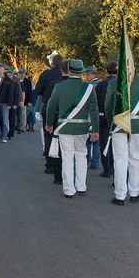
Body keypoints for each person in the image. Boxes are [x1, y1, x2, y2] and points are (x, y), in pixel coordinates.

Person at [45, 59, 100, 198]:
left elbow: (51, 107)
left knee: (67, 157)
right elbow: (94, 110)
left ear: (68, 71)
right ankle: (81, 186)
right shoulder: (89, 88)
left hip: (64, 127)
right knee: (81, 155)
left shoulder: (59, 87)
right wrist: (95, 130)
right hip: (82, 128)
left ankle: (69, 189)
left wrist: (49, 123)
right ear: (81, 72)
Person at [105, 69, 139, 205]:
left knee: (120, 159)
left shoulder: (113, 83)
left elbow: (108, 106)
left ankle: (120, 195)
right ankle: (134, 193)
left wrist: (111, 122)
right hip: (137, 124)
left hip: (119, 125)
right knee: (135, 158)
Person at [96, 60, 117, 178]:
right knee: (116, 145)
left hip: (102, 116)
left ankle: (106, 169)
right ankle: (115, 170)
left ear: (106, 71)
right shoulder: (120, 84)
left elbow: (96, 101)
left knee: (104, 143)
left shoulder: (100, 85)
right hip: (116, 117)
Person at [85, 65, 101, 170]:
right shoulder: (100, 84)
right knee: (96, 142)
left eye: (88, 74)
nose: (87, 76)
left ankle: (87, 160)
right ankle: (95, 163)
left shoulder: (89, 86)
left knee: (88, 141)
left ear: (93, 75)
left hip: (90, 115)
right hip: (98, 114)